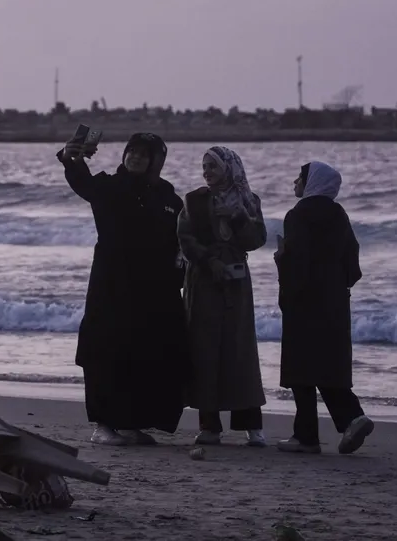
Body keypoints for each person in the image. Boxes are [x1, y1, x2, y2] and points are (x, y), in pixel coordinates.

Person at [57, 131, 189, 446]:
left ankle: (131, 423)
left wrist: (180, 273)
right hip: (111, 283)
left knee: (145, 350)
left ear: (156, 161)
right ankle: (102, 425)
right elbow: (82, 182)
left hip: (154, 288)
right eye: (131, 151)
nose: (135, 157)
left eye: (144, 154)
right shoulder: (109, 186)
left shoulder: (169, 198)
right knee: (105, 349)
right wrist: (71, 158)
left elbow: (180, 244)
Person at [273, 161, 375, 454]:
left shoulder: (297, 215)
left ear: (312, 182)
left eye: (300, 177)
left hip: (304, 302)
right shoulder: (338, 214)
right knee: (328, 366)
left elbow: (298, 260)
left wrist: (281, 261)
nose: (295, 182)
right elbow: (353, 262)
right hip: (334, 302)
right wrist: (339, 286)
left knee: (301, 369)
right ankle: (352, 418)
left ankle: (307, 436)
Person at [177, 146, 268, 447]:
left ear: (229, 168)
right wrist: (209, 260)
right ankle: (209, 425)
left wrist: (238, 217)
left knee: (239, 350)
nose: (207, 172)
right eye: (204, 166)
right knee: (204, 349)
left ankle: (251, 425)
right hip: (203, 280)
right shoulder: (194, 200)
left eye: (213, 166)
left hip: (236, 282)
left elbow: (257, 239)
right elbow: (185, 238)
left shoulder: (248, 200)